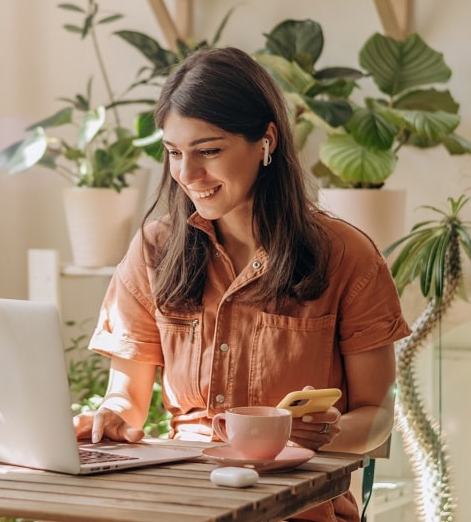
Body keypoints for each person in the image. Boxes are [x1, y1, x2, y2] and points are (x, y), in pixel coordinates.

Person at [73, 46, 411, 522]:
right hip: (181, 502)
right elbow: (126, 399)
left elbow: (379, 414)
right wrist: (109, 418)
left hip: (297, 506)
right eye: (174, 153)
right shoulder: (155, 248)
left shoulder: (346, 255)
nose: (187, 175)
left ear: (266, 142)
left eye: (208, 151)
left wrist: (328, 432)